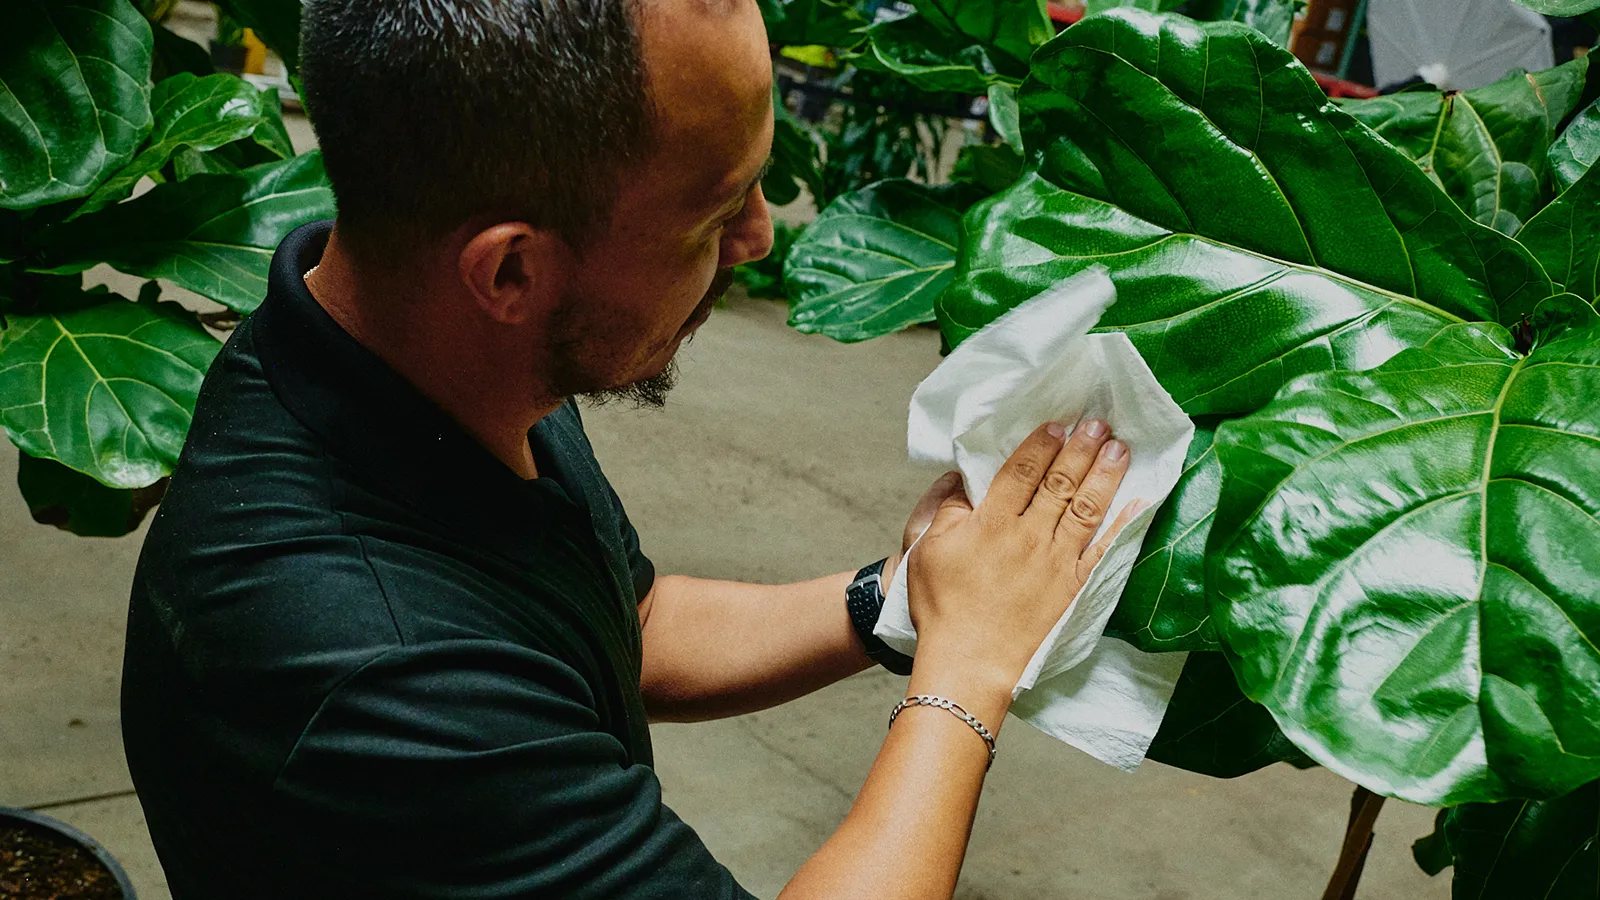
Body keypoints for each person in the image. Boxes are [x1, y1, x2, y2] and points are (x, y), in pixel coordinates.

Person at [120, 0, 1136, 897]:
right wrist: (966, 671)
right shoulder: (378, 680)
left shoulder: (419, 353)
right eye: (715, 211)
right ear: (509, 272)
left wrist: (903, 600)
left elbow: (629, 622)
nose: (759, 237)